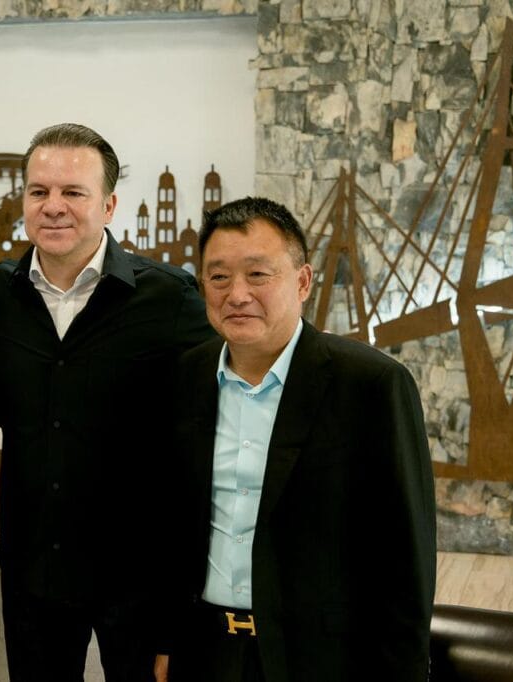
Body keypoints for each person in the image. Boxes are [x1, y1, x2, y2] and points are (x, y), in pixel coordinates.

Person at [0, 123, 215, 682]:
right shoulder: (1, 292)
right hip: (35, 572)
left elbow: (214, 410)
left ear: (109, 205)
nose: (54, 206)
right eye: (39, 191)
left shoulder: (169, 298)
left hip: (137, 576)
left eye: (73, 192)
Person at [163, 197, 436, 681]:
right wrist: (165, 641)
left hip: (320, 659)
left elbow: (405, 560)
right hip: (204, 652)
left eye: (258, 274)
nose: (237, 294)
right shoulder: (185, 378)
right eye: (219, 276)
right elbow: (166, 528)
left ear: (303, 281)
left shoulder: (371, 385)